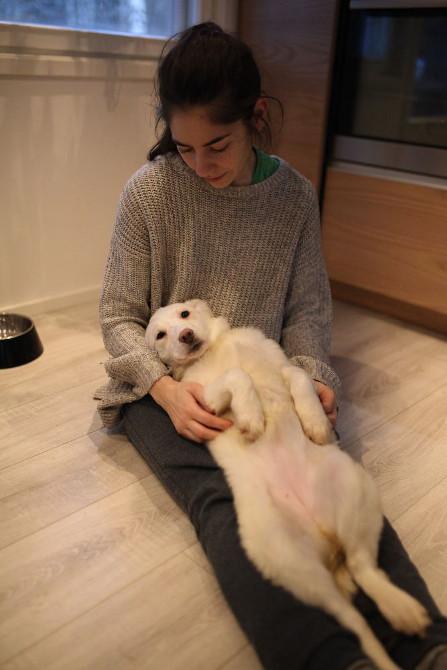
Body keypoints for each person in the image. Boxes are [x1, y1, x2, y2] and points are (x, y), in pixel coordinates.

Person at [94, 21, 447, 670]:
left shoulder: (293, 198)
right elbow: (118, 316)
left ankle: (427, 645)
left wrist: (311, 373)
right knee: (223, 497)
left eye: (217, 145)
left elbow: (308, 309)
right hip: (164, 384)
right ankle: (330, 657)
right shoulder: (148, 192)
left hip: (259, 370)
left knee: (327, 473)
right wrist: (166, 391)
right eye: (184, 147)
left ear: (255, 117)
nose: (201, 164)